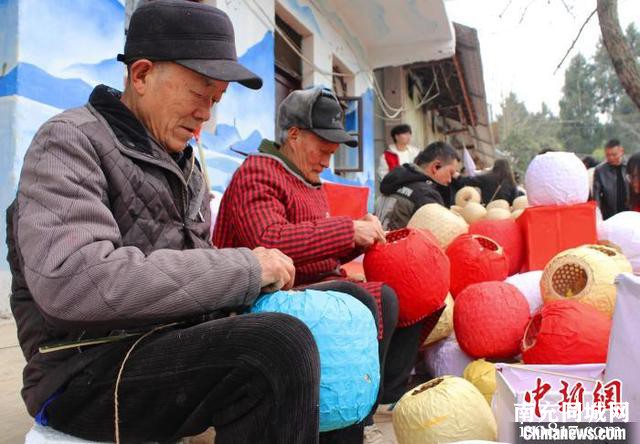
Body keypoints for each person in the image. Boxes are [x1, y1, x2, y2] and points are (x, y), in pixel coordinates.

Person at [6, 2, 342, 442]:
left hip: (163, 346)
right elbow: (76, 281)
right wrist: (245, 268)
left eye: (216, 100)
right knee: (275, 349)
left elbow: (192, 278)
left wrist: (262, 290)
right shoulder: (68, 141)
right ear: (142, 75)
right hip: (82, 369)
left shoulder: (186, 166)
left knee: (340, 308)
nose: (206, 114)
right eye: (199, 94)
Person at [213, 87, 434, 439]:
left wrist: (358, 238)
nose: (326, 162)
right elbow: (272, 241)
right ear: (294, 135)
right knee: (367, 300)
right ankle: (346, 422)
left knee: (408, 296)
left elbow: (315, 247)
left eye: (332, 153)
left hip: (307, 287)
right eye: (322, 150)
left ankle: (370, 405)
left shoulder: (309, 181)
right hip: (261, 296)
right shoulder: (258, 173)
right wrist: (347, 230)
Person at [376, 141, 460, 229]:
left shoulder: (396, 182)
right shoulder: (426, 195)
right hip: (404, 242)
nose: (450, 180)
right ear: (436, 166)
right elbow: (441, 234)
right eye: (450, 173)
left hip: (381, 240)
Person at [455, 158, 523, 205]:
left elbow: (469, 181)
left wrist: (458, 176)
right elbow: (515, 201)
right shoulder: (511, 183)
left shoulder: (486, 178)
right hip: (505, 214)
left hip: (488, 212)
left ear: (495, 166)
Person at [593, 139, 629, 219]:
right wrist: (598, 216)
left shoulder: (631, 166)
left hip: (631, 213)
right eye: (608, 155)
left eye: (614, 154)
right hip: (610, 216)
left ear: (621, 151)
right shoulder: (600, 171)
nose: (611, 158)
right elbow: (596, 197)